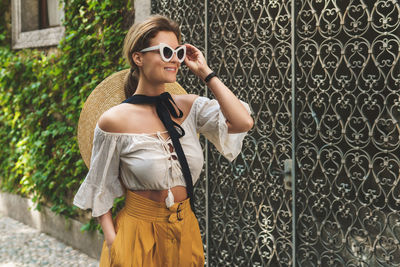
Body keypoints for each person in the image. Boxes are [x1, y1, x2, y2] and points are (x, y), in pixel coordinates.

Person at [73, 15, 253, 267]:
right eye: (166, 51)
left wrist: (206, 73)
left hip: (185, 230)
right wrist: (116, 245)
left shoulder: (190, 107)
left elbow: (242, 122)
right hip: (135, 234)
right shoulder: (113, 121)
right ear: (138, 57)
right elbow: (99, 188)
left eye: (178, 52)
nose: (174, 59)